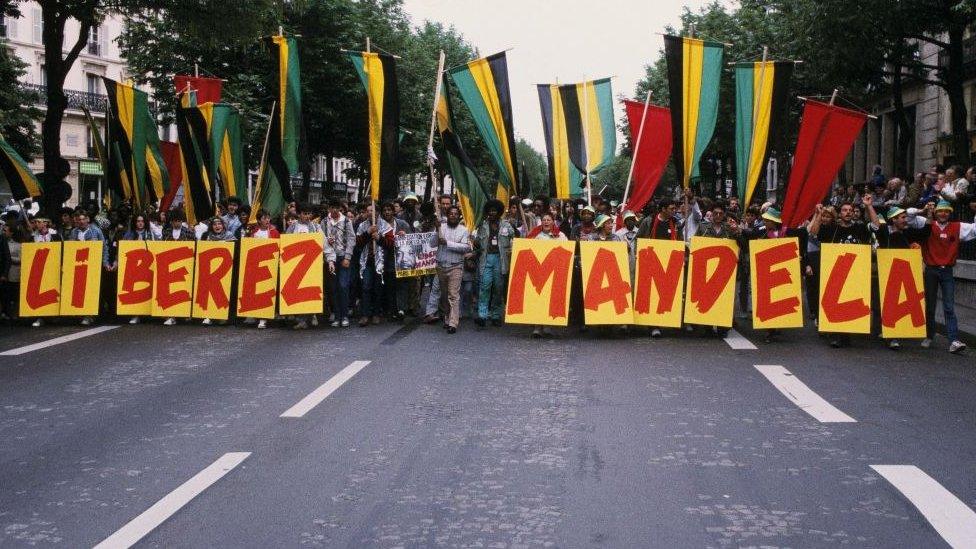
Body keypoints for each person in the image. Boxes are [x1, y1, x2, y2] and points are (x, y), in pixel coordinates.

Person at [808, 198, 873, 348]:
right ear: (839, 214)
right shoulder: (832, 229)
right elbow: (813, 233)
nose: (848, 213)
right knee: (834, 301)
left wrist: (869, 206)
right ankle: (835, 334)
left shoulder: (860, 228)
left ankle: (846, 333)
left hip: (854, 271)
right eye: (844, 210)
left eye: (850, 210)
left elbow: (876, 226)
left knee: (849, 301)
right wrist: (818, 214)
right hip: (835, 271)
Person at [917, 200, 975, 353]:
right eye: (940, 211)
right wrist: (923, 210)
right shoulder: (927, 224)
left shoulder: (957, 227)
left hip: (947, 270)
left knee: (949, 306)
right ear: (935, 213)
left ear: (950, 213)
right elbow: (909, 217)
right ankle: (929, 335)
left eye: (946, 211)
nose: (943, 214)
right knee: (930, 305)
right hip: (931, 269)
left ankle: (954, 340)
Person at [869, 205, 929, 350]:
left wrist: (930, 213)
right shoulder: (885, 233)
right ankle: (890, 335)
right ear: (893, 220)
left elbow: (927, 229)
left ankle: (893, 332)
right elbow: (875, 225)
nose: (905, 220)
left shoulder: (908, 234)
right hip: (887, 273)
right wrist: (868, 206)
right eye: (902, 218)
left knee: (898, 303)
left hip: (904, 274)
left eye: (905, 217)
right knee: (884, 303)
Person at [65, 210, 110, 326]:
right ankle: (80, 313)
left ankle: (90, 315)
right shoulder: (74, 232)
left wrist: (104, 262)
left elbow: (104, 247)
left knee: (92, 290)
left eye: (83, 219)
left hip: (93, 266)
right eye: (79, 220)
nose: (81, 221)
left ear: (87, 219)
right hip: (78, 266)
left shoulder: (96, 231)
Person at [474, 199, 513, 327]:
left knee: (498, 288)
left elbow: (515, 237)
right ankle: (482, 315)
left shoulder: (506, 225)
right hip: (486, 259)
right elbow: (476, 242)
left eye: (494, 210)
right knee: (485, 286)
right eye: (490, 211)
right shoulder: (482, 225)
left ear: (499, 212)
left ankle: (496, 315)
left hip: (500, 260)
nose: (492, 213)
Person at [526, 213, 566, 337]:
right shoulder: (535, 236)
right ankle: (537, 327)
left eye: (549, 219)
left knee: (550, 298)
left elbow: (566, 250)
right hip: (538, 272)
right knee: (538, 298)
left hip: (553, 272)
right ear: (541, 222)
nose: (546, 222)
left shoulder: (560, 236)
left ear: (553, 222)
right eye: (544, 220)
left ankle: (548, 326)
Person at [435, 205, 470, 334]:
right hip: (441, 265)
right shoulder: (441, 227)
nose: (453, 216)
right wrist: (436, 229)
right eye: (451, 214)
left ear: (459, 216)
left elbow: (465, 247)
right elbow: (433, 243)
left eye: (456, 214)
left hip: (456, 266)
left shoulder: (464, 230)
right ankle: (447, 317)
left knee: (453, 294)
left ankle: (453, 323)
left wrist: (448, 243)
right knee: (444, 295)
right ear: (447, 215)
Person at [325, 199, 355, 327]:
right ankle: (337, 316)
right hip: (331, 259)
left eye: (337, 208)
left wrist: (348, 257)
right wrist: (327, 241)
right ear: (329, 209)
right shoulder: (324, 222)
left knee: (343, 286)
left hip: (343, 257)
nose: (335, 210)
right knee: (334, 288)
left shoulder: (346, 221)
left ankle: (345, 315)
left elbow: (351, 239)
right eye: (332, 208)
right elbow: (321, 238)